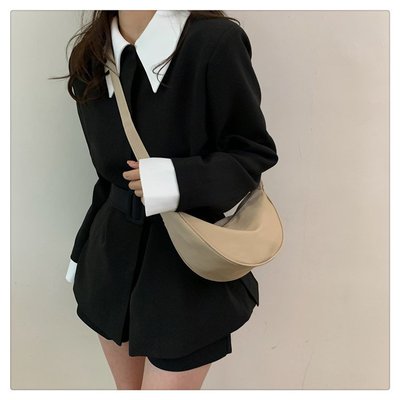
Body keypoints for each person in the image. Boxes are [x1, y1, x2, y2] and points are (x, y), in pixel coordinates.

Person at [61, 10, 279, 390]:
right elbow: (107, 177)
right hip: (110, 265)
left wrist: (175, 180)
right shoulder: (90, 54)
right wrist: (81, 255)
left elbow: (252, 154)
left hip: (186, 271)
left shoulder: (213, 43)